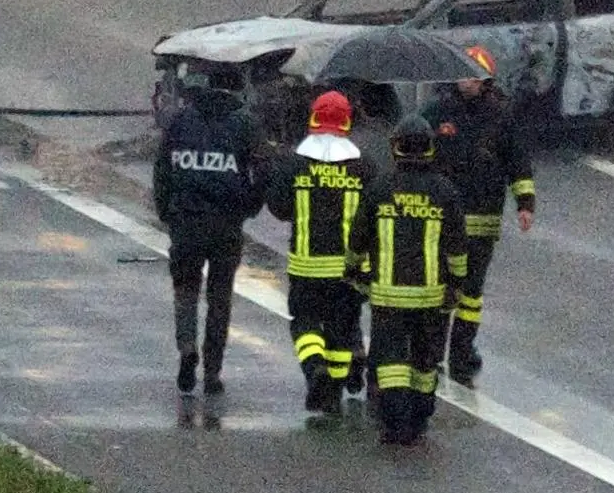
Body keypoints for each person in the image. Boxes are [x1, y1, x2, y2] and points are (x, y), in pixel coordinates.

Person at [349, 116, 468, 448]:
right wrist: (457, 283)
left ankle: (394, 421)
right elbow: (457, 245)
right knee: (424, 360)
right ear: (430, 148)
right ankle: (419, 414)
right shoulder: (445, 191)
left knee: (389, 362)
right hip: (431, 298)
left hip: (389, 296)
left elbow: (358, 237)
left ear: (396, 148)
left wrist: (353, 270)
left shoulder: (380, 188)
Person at [152, 66, 264, 395]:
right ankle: (213, 371)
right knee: (220, 298)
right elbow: (263, 171)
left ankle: (187, 348)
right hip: (226, 225)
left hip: (185, 221)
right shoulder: (245, 125)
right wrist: (249, 206)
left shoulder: (181, 121)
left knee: (186, 291)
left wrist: (166, 210)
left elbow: (163, 169)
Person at [433, 46, 535, 390]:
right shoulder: (438, 111)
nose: (467, 82)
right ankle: (432, 352)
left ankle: (461, 353)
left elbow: (518, 163)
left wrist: (525, 202)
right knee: (442, 288)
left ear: (486, 80)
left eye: (474, 76)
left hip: (483, 219)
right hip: (444, 219)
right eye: (463, 74)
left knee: (471, 294)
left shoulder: (501, 116)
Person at [267, 89, 372, 415]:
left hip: (306, 267)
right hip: (348, 270)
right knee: (343, 331)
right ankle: (334, 389)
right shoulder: (363, 168)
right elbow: (373, 216)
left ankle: (315, 369)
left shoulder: (292, 164)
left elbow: (279, 208)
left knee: (305, 323)